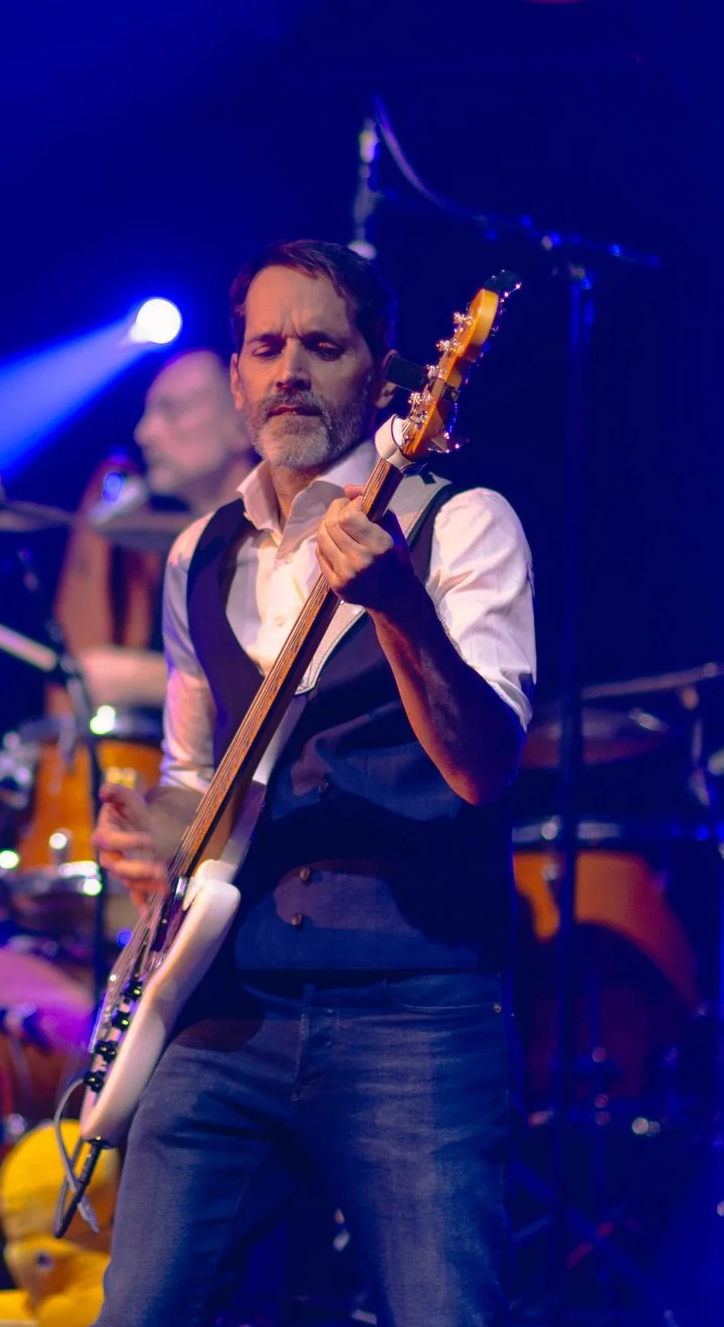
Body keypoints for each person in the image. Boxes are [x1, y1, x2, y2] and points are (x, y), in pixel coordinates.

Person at [91, 241, 536, 1325]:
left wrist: (398, 606)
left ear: (385, 376)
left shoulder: (461, 522)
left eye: (322, 345)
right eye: (266, 346)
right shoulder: (199, 550)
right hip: (229, 1009)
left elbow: (485, 766)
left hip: (414, 1012)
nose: (290, 368)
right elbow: (198, 778)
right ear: (237, 376)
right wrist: (152, 826)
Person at [54, 349, 255, 713]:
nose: (144, 433)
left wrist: (138, 678)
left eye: (171, 410)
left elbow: (275, 682)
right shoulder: (180, 549)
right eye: (148, 414)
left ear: (242, 424)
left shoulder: (276, 540)